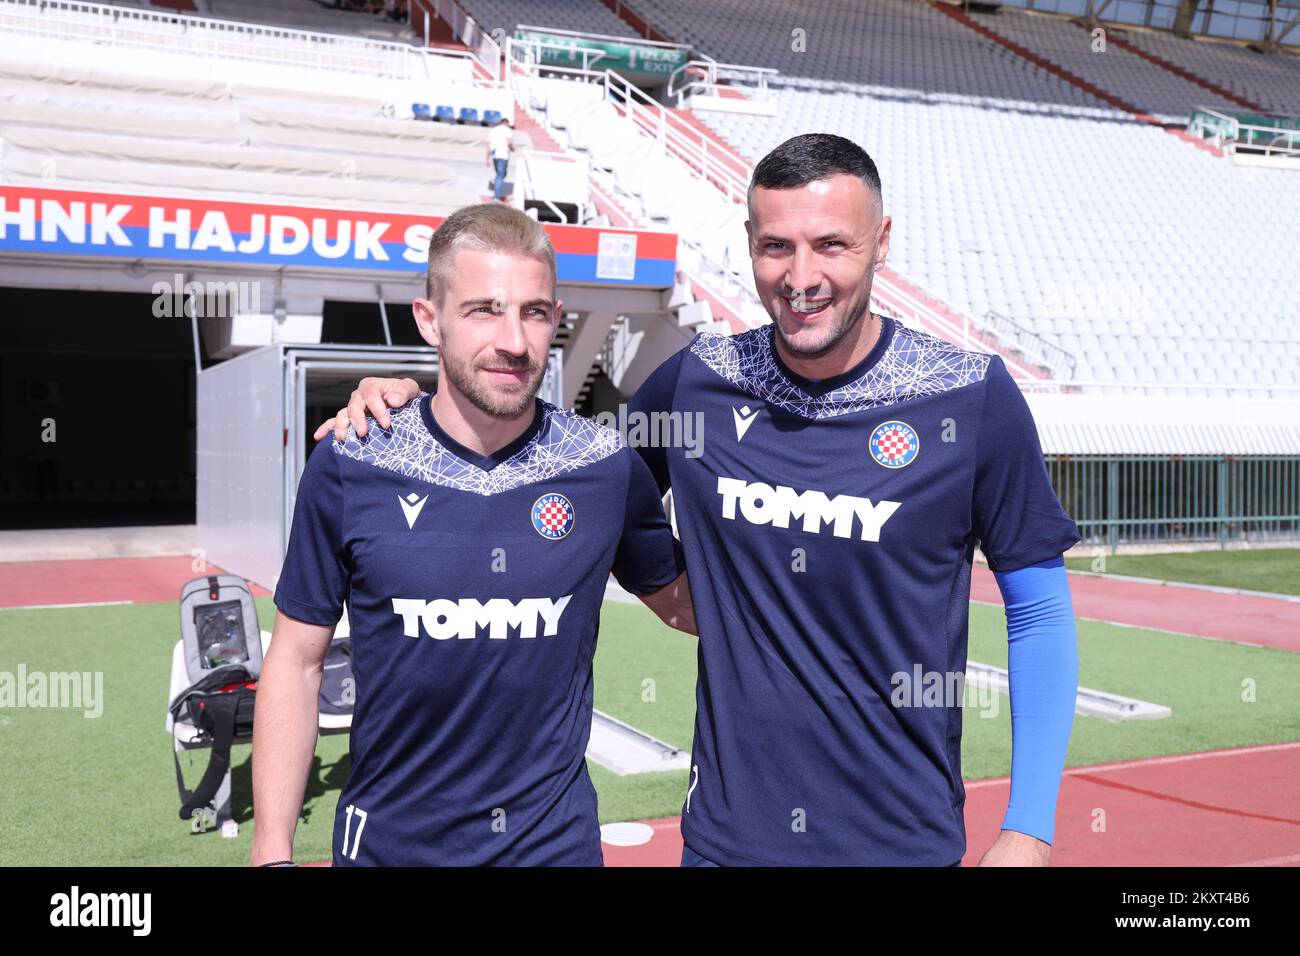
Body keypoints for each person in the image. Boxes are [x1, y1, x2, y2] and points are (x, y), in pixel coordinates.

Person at [323, 134, 1081, 867]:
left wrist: (1031, 826)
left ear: (881, 242)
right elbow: (580, 478)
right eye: (775, 246)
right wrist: (403, 410)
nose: (801, 275)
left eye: (832, 245)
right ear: (750, 243)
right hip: (725, 842)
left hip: (902, 842)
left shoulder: (969, 395)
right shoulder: (699, 382)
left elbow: (1040, 609)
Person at [251, 203, 695, 867]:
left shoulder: (603, 468)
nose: (514, 340)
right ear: (430, 320)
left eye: (535, 312)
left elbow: (689, 605)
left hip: (553, 852)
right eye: (485, 309)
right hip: (389, 850)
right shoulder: (352, 460)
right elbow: (296, 660)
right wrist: (270, 850)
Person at [487, 118, 513, 203]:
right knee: (501, 175)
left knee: (500, 174)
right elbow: (509, 143)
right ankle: (496, 196)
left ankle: (496, 186)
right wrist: (513, 148)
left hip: (495, 154)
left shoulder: (493, 130)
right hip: (503, 154)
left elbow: (489, 145)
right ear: (506, 123)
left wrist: (487, 158)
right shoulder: (507, 130)